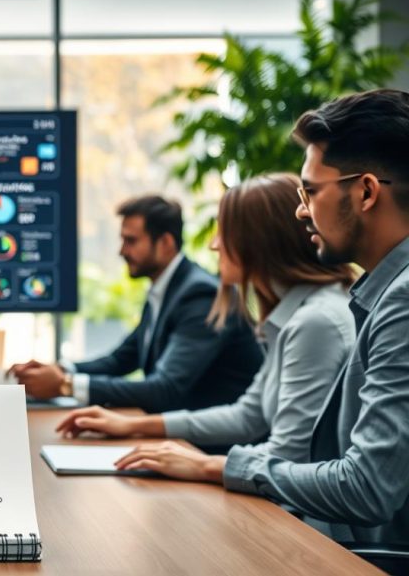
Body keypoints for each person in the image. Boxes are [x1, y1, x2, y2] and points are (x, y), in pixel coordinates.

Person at [112, 89, 409, 555]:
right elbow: (253, 416)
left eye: (310, 191)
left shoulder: (397, 301)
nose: (301, 210)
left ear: (367, 192)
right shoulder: (376, 296)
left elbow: (367, 486)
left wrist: (213, 467)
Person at [56, 174, 356, 474]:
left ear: (261, 241)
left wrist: (201, 465)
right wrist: (133, 425)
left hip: (302, 517)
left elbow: (287, 456)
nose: (214, 245)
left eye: (224, 233)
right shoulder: (291, 317)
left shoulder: (315, 322)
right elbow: (247, 416)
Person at [8, 195, 263, 414]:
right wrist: (60, 369)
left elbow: (166, 388)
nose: (121, 251)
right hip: (178, 440)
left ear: (165, 243)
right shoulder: (167, 288)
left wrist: (66, 384)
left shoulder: (199, 295)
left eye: (131, 241)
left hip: (209, 448)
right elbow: (121, 359)